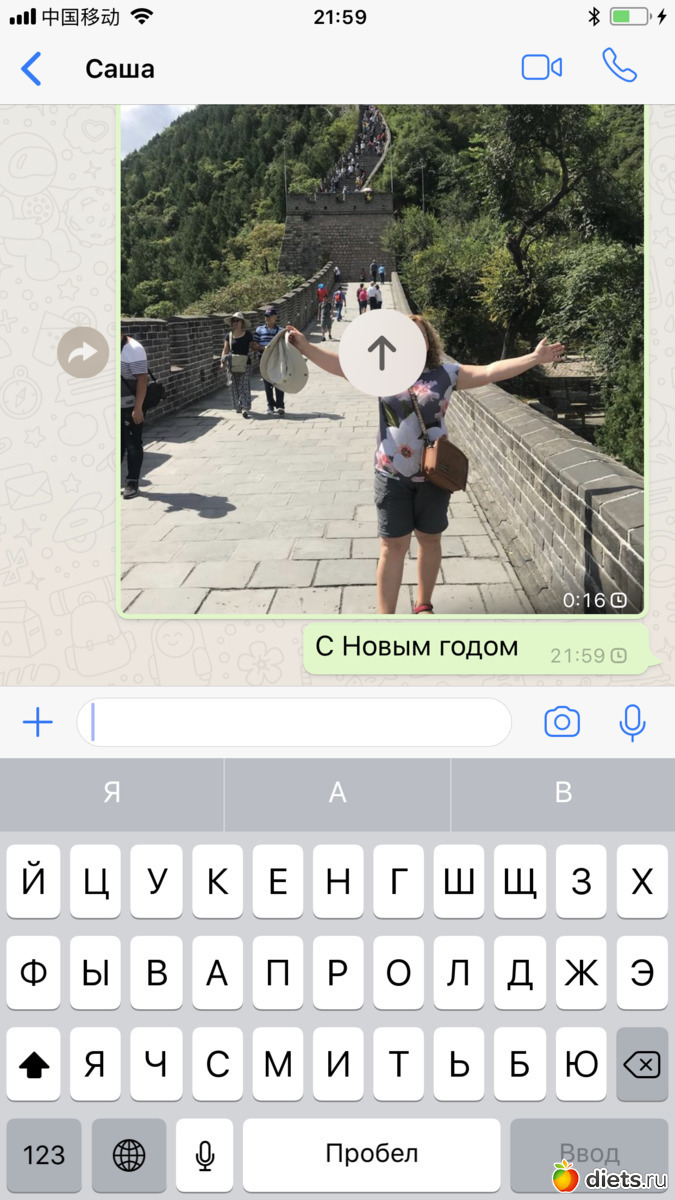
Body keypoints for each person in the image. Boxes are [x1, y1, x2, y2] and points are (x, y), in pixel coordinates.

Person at [286, 315, 564, 615]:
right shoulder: (382, 370)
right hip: (390, 473)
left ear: (429, 342)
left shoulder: (446, 374)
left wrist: (534, 358)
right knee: (392, 546)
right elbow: (342, 366)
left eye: (419, 336)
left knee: (430, 540)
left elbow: (489, 371)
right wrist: (305, 347)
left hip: (434, 474)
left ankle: (423, 604)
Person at [120, 332, 148, 499]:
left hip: (130, 405)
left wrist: (138, 408)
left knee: (132, 444)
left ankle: (132, 482)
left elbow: (142, 379)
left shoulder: (133, 349)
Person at [253, 306, 285, 416]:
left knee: (279, 381)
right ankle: (270, 406)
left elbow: (285, 346)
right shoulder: (259, 330)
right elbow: (254, 345)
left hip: (277, 359)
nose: (267, 318)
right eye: (265, 316)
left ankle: (280, 405)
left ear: (275, 317)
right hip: (264, 359)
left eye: (269, 316)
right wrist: (264, 348)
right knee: (267, 384)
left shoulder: (281, 331)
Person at [221, 312, 254, 418]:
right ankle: (238, 405)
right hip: (232, 364)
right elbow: (225, 349)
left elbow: (253, 346)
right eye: (233, 321)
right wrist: (222, 362)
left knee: (243, 385)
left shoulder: (248, 335)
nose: (235, 323)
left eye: (237, 321)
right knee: (234, 386)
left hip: (245, 364)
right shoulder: (229, 335)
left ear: (242, 322)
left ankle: (245, 407)